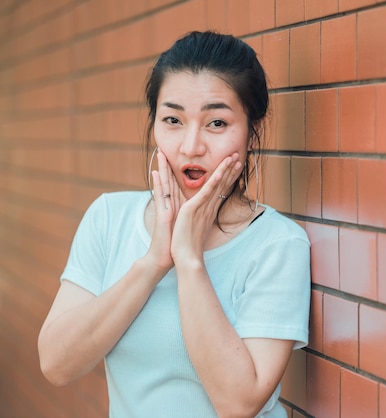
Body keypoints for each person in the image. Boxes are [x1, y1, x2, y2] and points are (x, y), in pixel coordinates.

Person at [38, 30, 311, 418]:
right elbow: (56, 364)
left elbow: (239, 403)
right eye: (173, 120)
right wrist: (153, 263)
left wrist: (189, 259)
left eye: (217, 123)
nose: (191, 146)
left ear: (251, 133)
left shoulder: (277, 244)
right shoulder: (109, 218)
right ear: (154, 126)